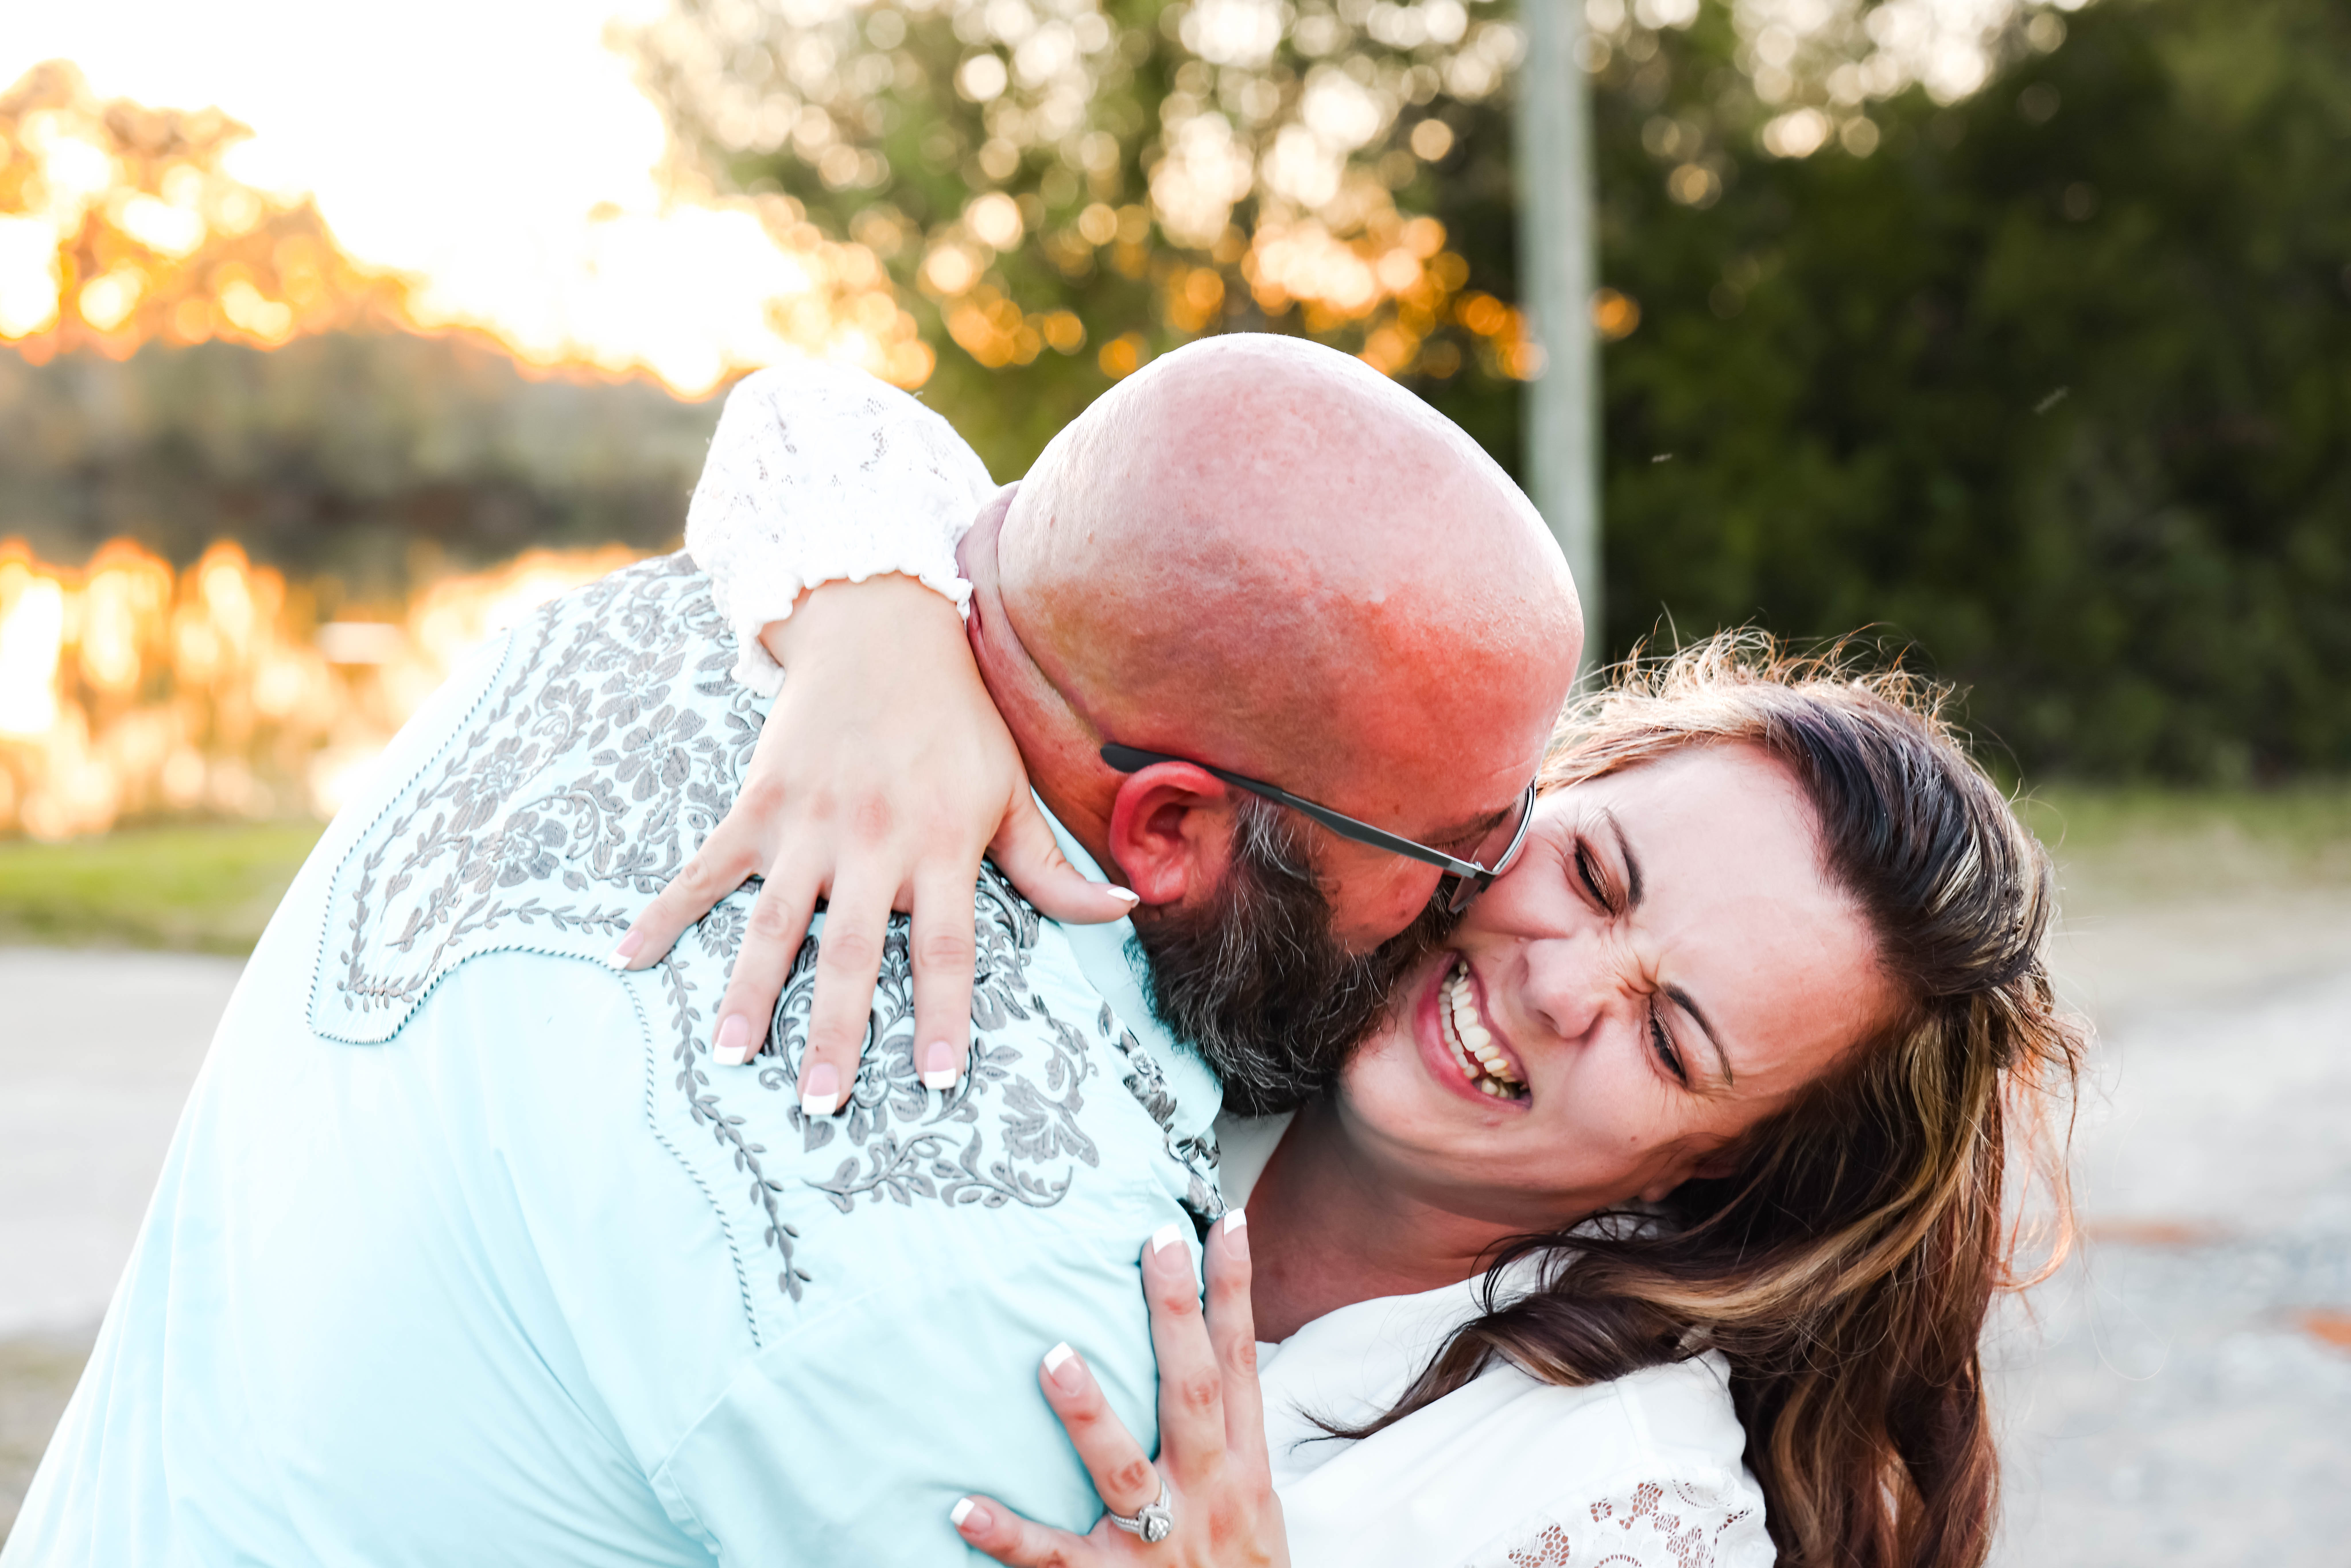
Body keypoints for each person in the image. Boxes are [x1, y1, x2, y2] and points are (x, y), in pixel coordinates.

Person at [0, 339, 1585, 1566]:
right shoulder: (1027, 1328)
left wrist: (874, 610)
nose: (1495, 898)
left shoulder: (684, 615)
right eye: (1456, 850)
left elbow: (855, 446)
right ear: (1169, 828)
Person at [630, 380, 2085, 1568]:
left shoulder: (1620, 1502)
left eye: (1670, 1040)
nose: (1562, 986)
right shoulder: (1245, 926)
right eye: (1587, 872)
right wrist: (877, 638)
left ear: (1715, 1168)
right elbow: (822, 429)